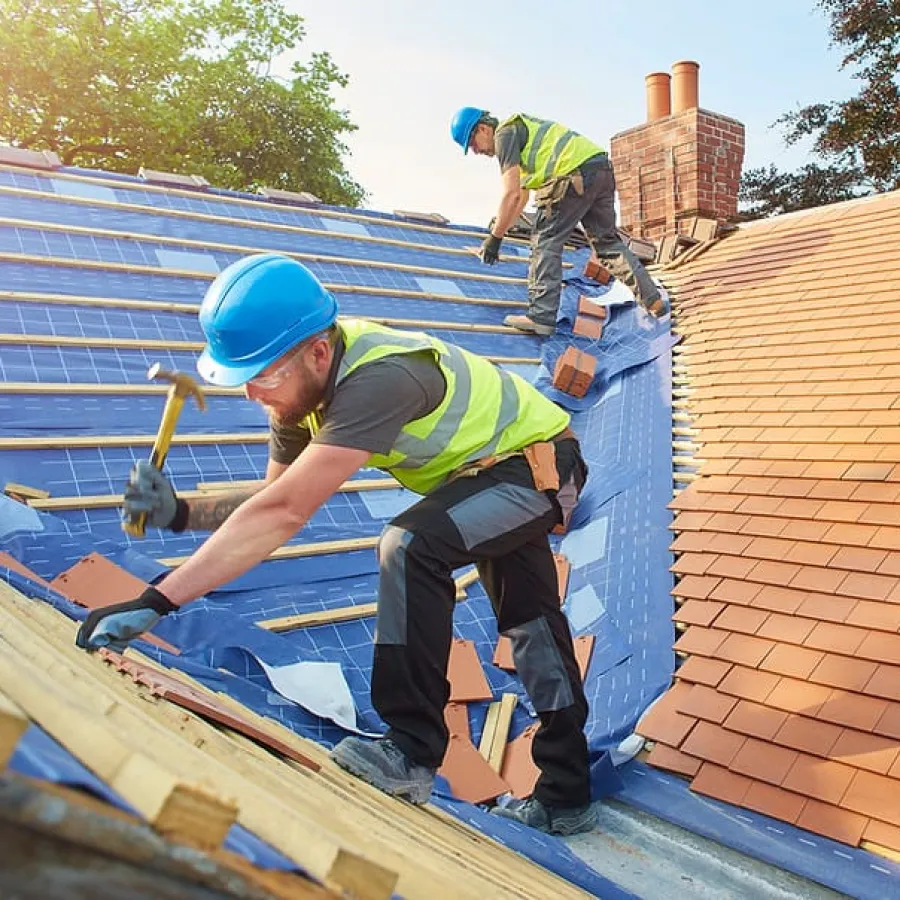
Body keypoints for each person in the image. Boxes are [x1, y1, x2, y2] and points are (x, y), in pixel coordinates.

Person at [75, 252, 597, 836]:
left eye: (264, 375)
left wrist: (156, 601)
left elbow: (282, 514)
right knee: (531, 626)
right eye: (243, 378)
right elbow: (273, 500)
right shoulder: (297, 395)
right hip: (484, 476)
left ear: (318, 352)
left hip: (538, 467)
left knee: (410, 546)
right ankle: (567, 794)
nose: (252, 394)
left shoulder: (380, 379)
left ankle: (410, 751)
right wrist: (181, 513)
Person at [450, 107, 667, 335]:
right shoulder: (522, 137)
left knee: (545, 241)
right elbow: (520, 198)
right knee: (607, 245)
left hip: (571, 175)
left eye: (472, 143)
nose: (475, 151)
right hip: (600, 169)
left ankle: (541, 316)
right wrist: (500, 230)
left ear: (483, 128)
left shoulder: (504, 135)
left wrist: (494, 239)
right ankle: (653, 300)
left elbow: (510, 193)